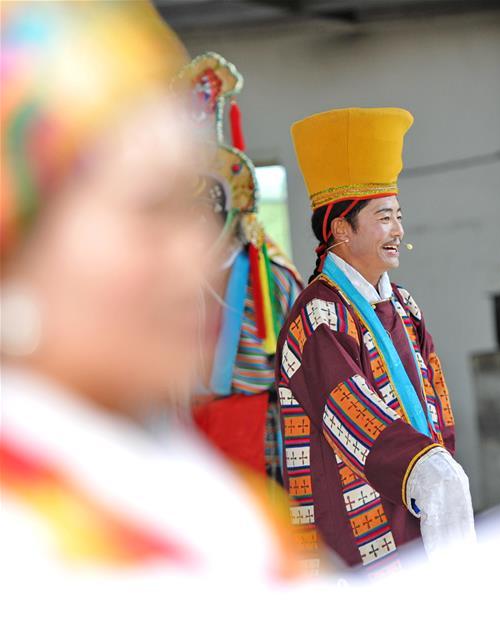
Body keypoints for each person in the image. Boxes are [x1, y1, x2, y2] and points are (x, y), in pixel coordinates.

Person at [0, 0, 300, 578]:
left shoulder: (197, 495)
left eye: (195, 212)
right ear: (14, 255)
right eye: (150, 210)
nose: (195, 259)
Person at [278, 107, 475, 571]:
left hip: (412, 497)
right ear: (341, 229)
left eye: (398, 216)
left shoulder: (404, 306)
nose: (399, 231)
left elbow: (436, 410)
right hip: (354, 517)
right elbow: (352, 413)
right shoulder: (318, 316)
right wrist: (428, 470)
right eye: (384, 217)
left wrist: (441, 470)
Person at [176, 52, 303, 485]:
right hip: (181, 441)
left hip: (260, 441)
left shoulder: (275, 280)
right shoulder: (159, 279)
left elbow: (301, 375)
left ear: (235, 208)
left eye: (204, 207)